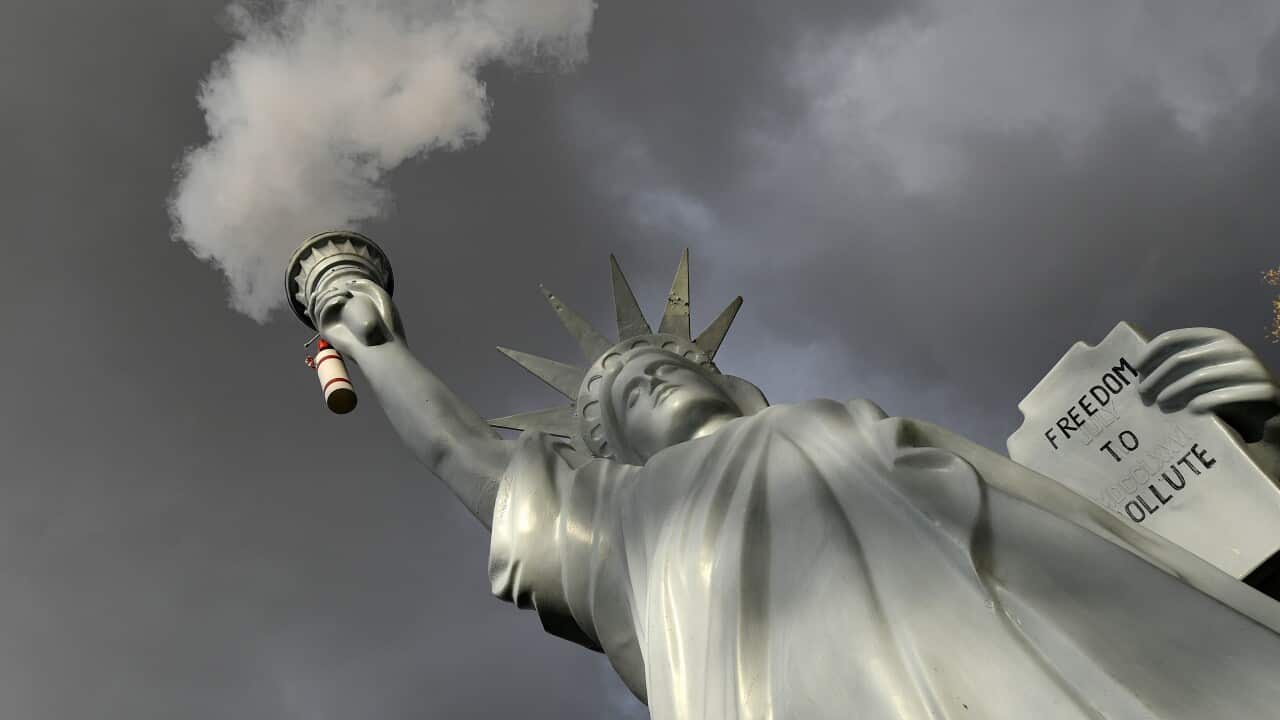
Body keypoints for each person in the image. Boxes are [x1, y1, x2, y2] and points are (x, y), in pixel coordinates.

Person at [313, 252, 1280, 719]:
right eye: (624, 397)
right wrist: (371, 340)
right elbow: (465, 455)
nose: (650, 379)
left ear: (730, 382)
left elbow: (1092, 539)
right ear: (611, 452)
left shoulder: (853, 424)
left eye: (661, 365)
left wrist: (1249, 433)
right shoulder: (621, 523)